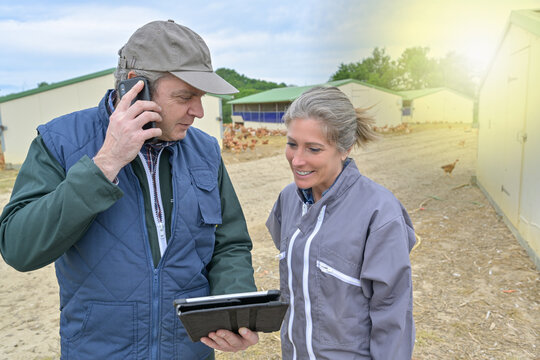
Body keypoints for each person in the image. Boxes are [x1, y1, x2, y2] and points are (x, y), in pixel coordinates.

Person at [0, 20, 258, 359]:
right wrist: (104, 164)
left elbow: (230, 244)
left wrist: (233, 306)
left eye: (201, 97)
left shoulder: (205, 150)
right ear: (135, 87)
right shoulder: (58, 142)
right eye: (185, 97)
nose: (199, 111)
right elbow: (19, 248)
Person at [266, 86, 416, 359]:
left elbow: (392, 315)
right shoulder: (288, 200)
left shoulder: (379, 213)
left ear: (345, 149)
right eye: (291, 144)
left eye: (313, 148)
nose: (297, 160)